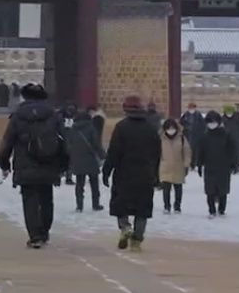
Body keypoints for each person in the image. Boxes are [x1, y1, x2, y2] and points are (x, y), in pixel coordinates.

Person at [0, 82, 70, 249]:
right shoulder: (54, 116)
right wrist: (64, 164)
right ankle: (44, 231)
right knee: (46, 198)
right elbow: (64, 141)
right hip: (49, 163)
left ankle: (35, 235)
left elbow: (7, 142)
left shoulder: (17, 116)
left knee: (29, 199)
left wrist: (4, 163)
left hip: (25, 164)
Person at [103, 95, 162, 252]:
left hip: (124, 173)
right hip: (145, 174)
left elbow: (113, 152)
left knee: (120, 204)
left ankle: (125, 227)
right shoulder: (151, 129)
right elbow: (157, 154)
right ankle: (137, 240)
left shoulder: (121, 127)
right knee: (142, 209)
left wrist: (106, 171)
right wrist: (156, 175)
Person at [194, 112, 239, 217]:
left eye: (214, 122)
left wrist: (235, 164)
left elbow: (233, 150)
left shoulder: (226, 135)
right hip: (209, 166)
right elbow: (200, 151)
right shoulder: (204, 137)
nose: (211, 124)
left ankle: (222, 209)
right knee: (209, 190)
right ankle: (211, 210)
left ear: (218, 122)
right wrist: (199, 164)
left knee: (222, 190)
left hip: (223, 167)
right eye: (209, 122)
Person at [66, 108, 105, 212]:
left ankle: (79, 205)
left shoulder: (73, 129)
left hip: (78, 159)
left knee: (79, 184)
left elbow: (69, 144)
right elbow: (96, 144)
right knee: (94, 183)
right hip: (90, 159)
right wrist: (102, 155)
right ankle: (96, 204)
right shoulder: (91, 128)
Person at [158, 117, 191, 214]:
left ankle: (177, 206)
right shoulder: (161, 138)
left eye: (172, 128)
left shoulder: (181, 138)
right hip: (165, 166)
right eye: (169, 128)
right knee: (166, 189)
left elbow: (187, 152)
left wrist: (186, 164)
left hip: (178, 166)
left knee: (178, 188)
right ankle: (166, 206)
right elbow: (157, 152)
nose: (170, 130)